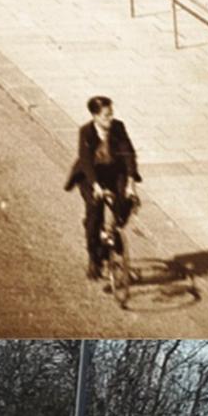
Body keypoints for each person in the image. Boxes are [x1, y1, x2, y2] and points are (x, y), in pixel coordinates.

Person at [65, 94, 142, 280]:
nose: (110, 118)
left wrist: (131, 182)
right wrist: (96, 186)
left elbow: (128, 154)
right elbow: (86, 162)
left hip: (115, 172)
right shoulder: (86, 132)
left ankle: (113, 231)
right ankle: (94, 259)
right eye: (106, 115)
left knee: (126, 201)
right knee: (94, 214)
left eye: (111, 114)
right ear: (95, 116)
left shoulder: (118, 127)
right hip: (92, 176)